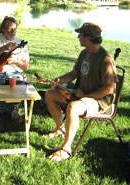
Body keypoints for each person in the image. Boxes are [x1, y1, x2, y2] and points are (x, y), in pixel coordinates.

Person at [44, 22, 118, 162]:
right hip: (81, 94)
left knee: (73, 107)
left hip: (99, 101)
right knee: (50, 94)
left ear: (88, 38)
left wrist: (84, 95)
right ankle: (60, 129)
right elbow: (74, 73)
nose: (78, 37)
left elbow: (109, 89)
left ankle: (66, 148)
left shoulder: (105, 59)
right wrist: (59, 80)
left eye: (81, 34)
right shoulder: (85, 53)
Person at [0, 16, 30, 123]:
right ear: (3, 29)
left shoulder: (21, 42)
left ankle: (3, 107)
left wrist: (17, 61)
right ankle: (12, 109)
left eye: (15, 29)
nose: (13, 31)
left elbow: (25, 66)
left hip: (15, 73)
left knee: (22, 91)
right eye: (10, 29)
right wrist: (3, 48)